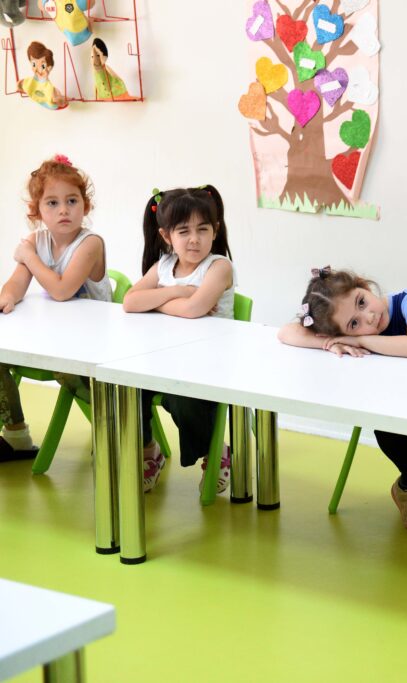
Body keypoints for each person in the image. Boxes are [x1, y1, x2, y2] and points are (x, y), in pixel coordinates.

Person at [278, 268, 407, 531]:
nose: (370, 317)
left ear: (364, 286)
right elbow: (285, 332)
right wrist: (330, 343)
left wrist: (359, 337)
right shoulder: (352, 330)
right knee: (383, 426)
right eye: (354, 323)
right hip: (400, 397)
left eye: (361, 302)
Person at [122, 186, 235, 493]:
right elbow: (130, 302)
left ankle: (216, 450)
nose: (194, 239)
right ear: (166, 235)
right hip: (166, 359)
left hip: (208, 364)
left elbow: (194, 310)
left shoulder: (219, 266)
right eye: (184, 231)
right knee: (128, 386)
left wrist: (156, 302)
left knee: (182, 399)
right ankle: (149, 451)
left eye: (202, 229)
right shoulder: (164, 266)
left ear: (215, 230)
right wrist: (176, 292)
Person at [0, 155, 111, 462]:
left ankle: (120, 428)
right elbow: (17, 283)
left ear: (85, 207)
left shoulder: (90, 243)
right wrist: (7, 297)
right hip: (55, 337)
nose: (63, 210)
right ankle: (16, 434)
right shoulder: (37, 240)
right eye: (52, 203)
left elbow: (62, 291)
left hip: (93, 343)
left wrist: (29, 256)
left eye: (72, 201)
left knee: (65, 368)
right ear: (37, 211)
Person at [17, 41, 66, 110]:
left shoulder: (49, 88)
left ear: (49, 67)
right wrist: (20, 85)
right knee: (26, 84)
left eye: (43, 65)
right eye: (34, 64)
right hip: (35, 82)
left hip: (46, 86)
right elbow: (22, 84)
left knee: (52, 93)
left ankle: (56, 100)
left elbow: (53, 94)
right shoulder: (30, 82)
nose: (38, 69)